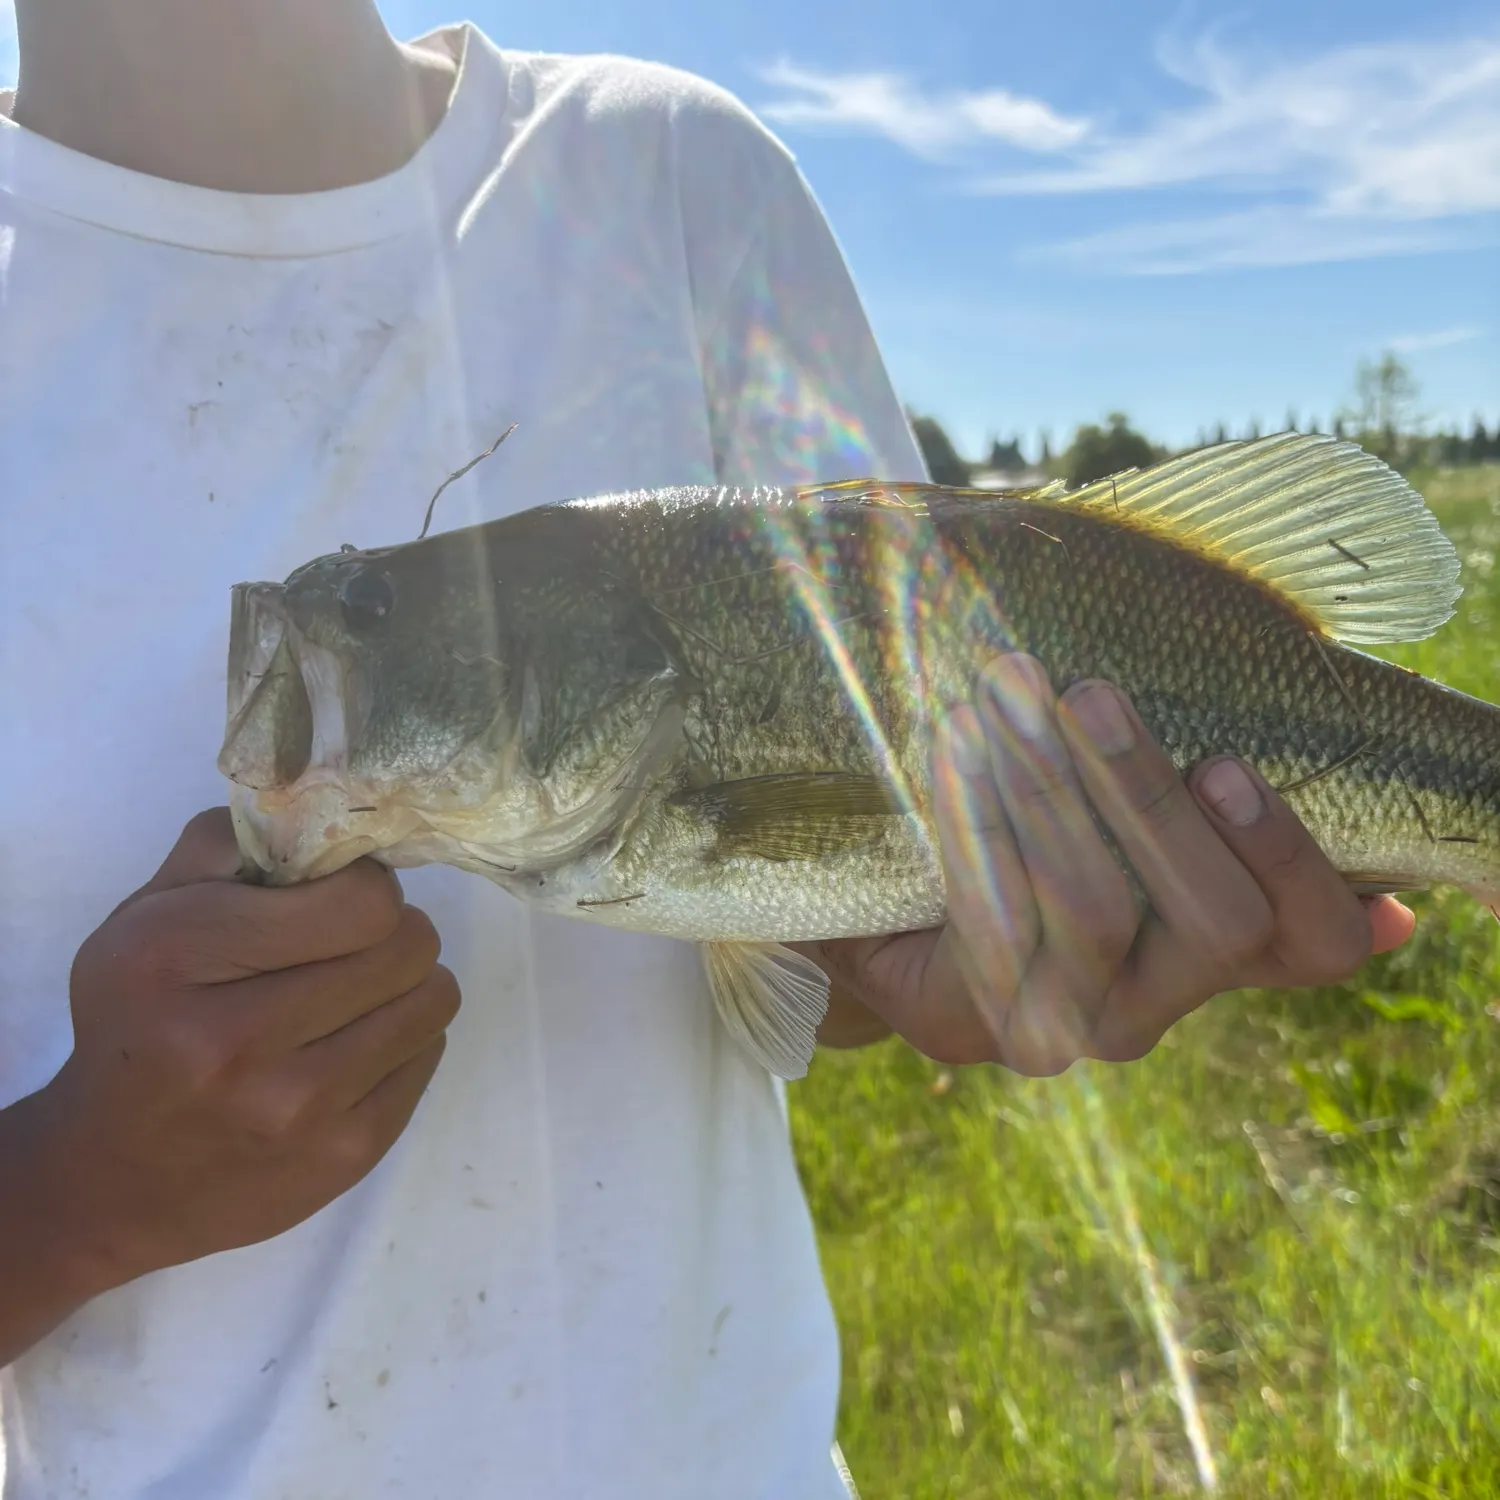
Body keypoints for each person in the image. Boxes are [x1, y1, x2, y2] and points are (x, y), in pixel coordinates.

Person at [0, 5, 1415, 1497]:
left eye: (386, 610)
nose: (321, 635)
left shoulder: (668, 177)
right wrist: (79, 1188)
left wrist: (974, 955)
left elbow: (841, 953)